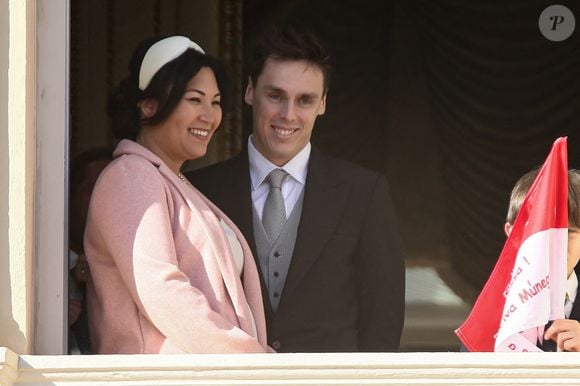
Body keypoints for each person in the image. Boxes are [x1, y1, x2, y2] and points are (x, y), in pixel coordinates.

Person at [187, 27, 405, 352]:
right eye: (275, 95)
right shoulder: (200, 191)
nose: (288, 114)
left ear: (323, 104)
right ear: (250, 91)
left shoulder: (363, 192)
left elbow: (383, 321)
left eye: (305, 100)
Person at [84, 35, 270, 354]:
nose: (209, 116)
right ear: (149, 105)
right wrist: (250, 357)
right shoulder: (130, 175)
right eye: (195, 100)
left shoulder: (171, 181)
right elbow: (161, 289)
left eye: (215, 102)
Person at [504, 168, 580, 351]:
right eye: (541, 233)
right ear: (513, 235)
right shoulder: (491, 310)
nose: (555, 247)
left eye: (568, 233)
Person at [69, 147, 113, 354]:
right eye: (95, 190)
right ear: (70, 196)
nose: (107, 203)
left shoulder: (128, 271)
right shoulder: (42, 269)